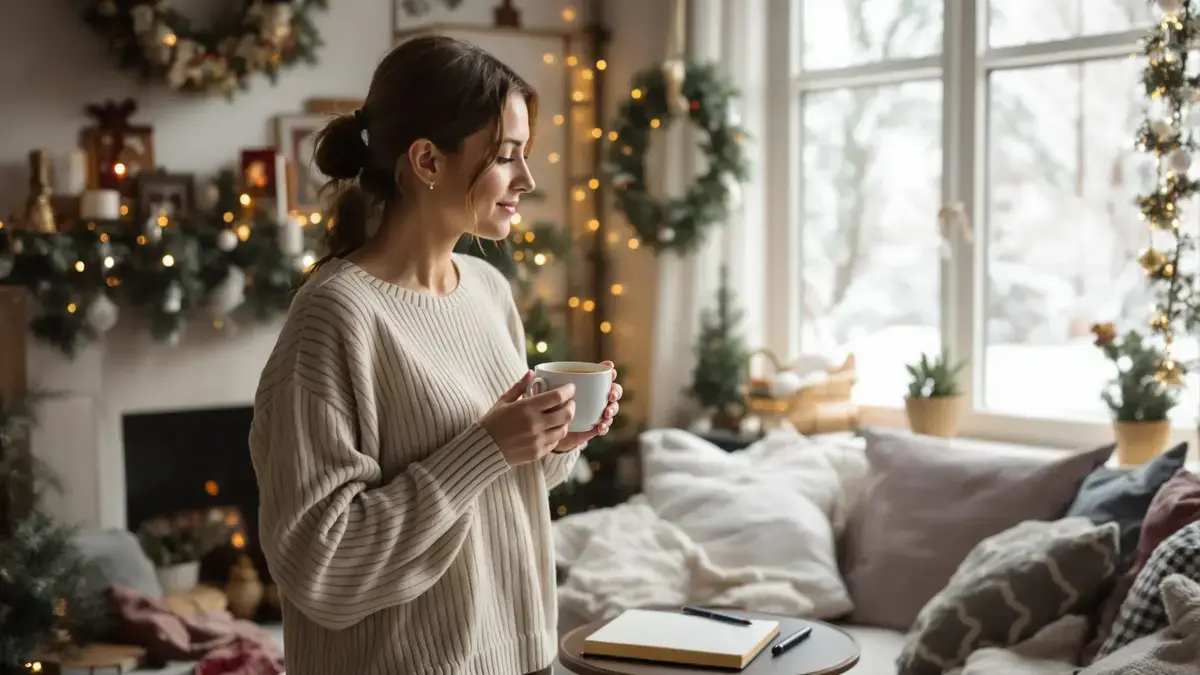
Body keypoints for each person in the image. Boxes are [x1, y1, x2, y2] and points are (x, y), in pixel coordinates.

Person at [248, 35, 622, 675]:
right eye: (505, 155)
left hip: (520, 656)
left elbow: (502, 489)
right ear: (426, 160)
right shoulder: (335, 316)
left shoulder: (488, 290)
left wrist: (554, 441)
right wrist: (487, 447)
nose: (527, 179)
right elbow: (320, 566)